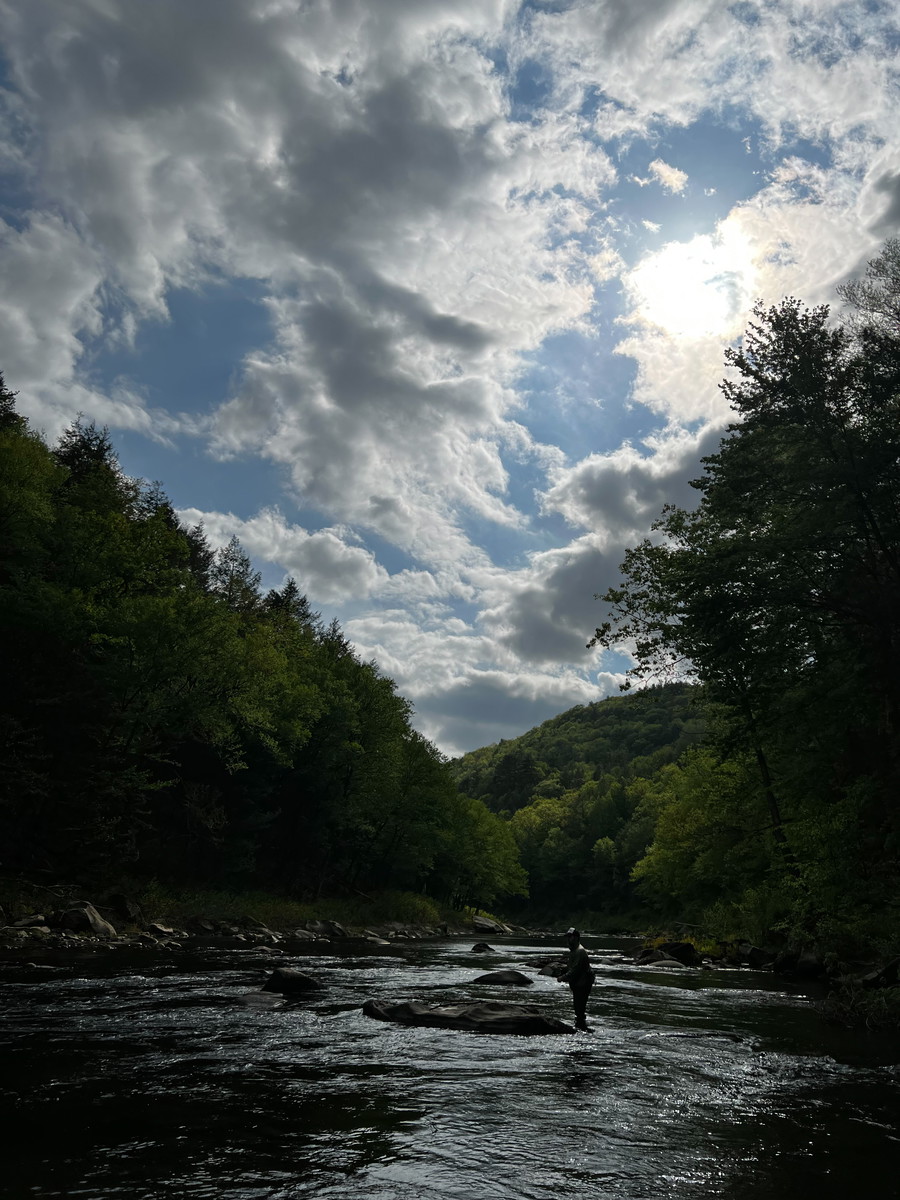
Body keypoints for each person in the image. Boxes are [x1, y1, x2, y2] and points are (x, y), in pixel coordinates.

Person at [557, 927, 595, 1029]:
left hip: (583, 984)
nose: (569, 939)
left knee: (579, 1009)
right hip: (579, 984)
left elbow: (575, 970)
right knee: (578, 1009)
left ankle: (581, 1029)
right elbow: (572, 967)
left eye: (571, 937)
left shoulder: (579, 951)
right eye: (568, 937)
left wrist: (562, 977)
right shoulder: (574, 950)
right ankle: (581, 1027)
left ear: (577, 938)